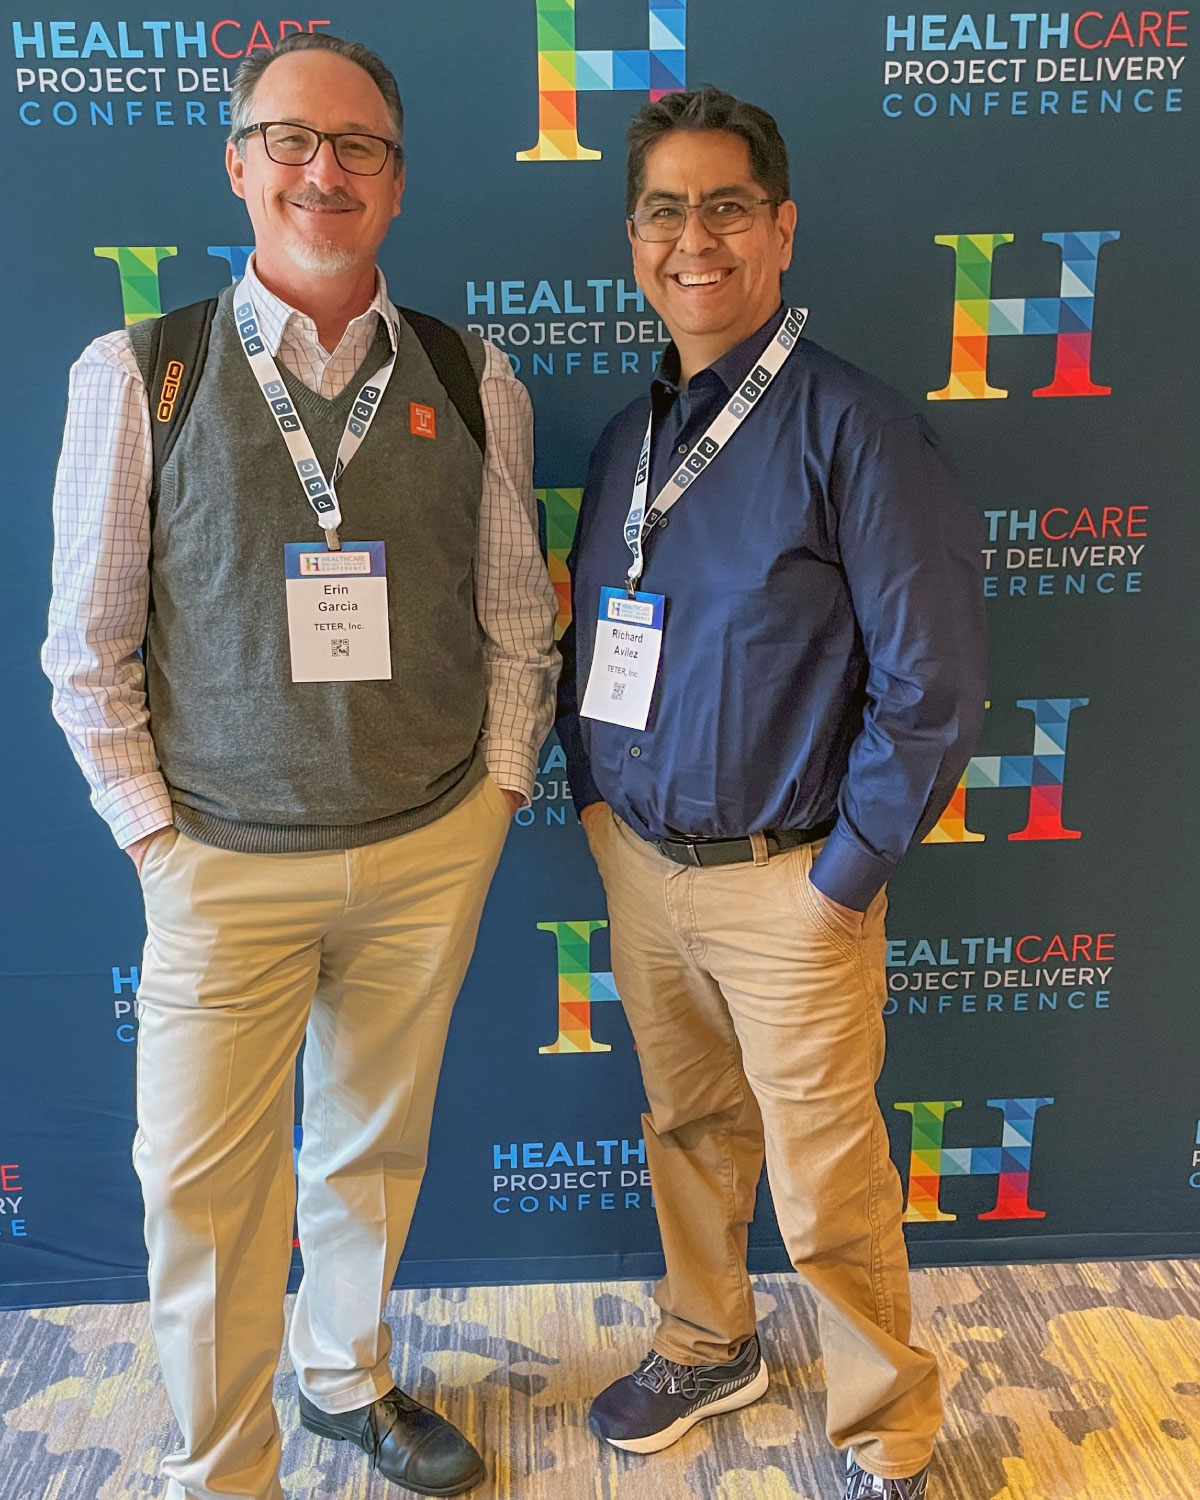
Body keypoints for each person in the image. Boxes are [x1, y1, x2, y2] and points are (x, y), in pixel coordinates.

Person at [43, 31, 558, 1500]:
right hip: (221, 861)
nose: (321, 171)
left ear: (396, 183)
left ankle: (345, 1381)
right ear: (238, 164)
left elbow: (520, 610)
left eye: (357, 148)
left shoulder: (473, 375)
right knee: (203, 1201)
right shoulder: (140, 374)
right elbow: (87, 647)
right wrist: (158, 840)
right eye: (289, 140)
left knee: (370, 1152)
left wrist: (500, 791)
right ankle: (224, 1473)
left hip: (423, 847)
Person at [556, 87, 986, 1500]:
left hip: (792, 880)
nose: (697, 237)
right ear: (634, 240)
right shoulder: (634, 439)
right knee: (685, 1131)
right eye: (666, 210)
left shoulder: (854, 426)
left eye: (726, 205)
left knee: (826, 1177)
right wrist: (598, 810)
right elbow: (598, 640)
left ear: (782, 227)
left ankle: (887, 1427)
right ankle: (709, 1338)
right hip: (646, 868)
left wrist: (843, 877)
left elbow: (933, 689)